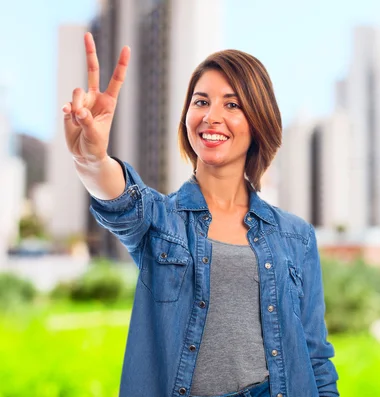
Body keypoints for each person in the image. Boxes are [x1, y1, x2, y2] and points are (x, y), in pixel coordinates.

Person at [61, 32, 339, 397]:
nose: (211, 117)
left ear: (259, 120)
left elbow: (315, 357)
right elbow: (120, 200)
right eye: (201, 101)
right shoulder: (161, 221)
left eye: (232, 105)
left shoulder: (296, 236)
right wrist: (91, 159)